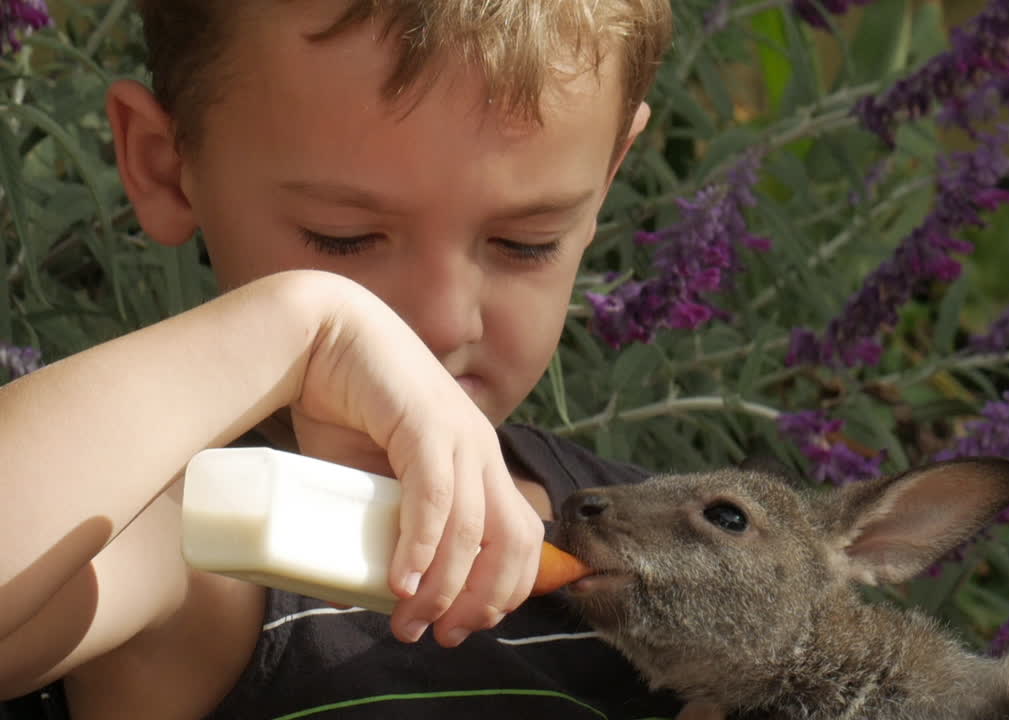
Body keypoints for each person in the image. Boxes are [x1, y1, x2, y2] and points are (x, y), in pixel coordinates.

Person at [0, 1, 682, 718]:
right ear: (166, 167)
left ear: (608, 174)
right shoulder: (192, 532)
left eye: (527, 242)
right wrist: (305, 327)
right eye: (343, 238)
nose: (444, 322)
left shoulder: (695, 543)